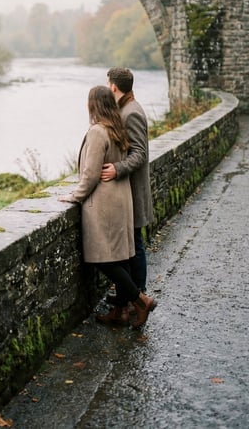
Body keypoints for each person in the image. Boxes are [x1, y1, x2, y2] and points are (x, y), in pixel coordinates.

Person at [58, 85, 156, 328]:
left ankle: (140, 300)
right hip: (121, 198)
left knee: (103, 258)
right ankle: (121, 312)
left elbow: (91, 175)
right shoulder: (117, 128)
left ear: (94, 105)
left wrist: (75, 196)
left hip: (104, 203)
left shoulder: (97, 132)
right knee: (120, 257)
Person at [101, 67, 154, 296]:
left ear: (113, 86)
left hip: (133, 191)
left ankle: (139, 296)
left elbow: (140, 154)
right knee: (131, 244)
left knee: (136, 246)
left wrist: (117, 169)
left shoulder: (131, 112)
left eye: (107, 84)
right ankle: (130, 298)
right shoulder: (126, 108)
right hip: (128, 192)